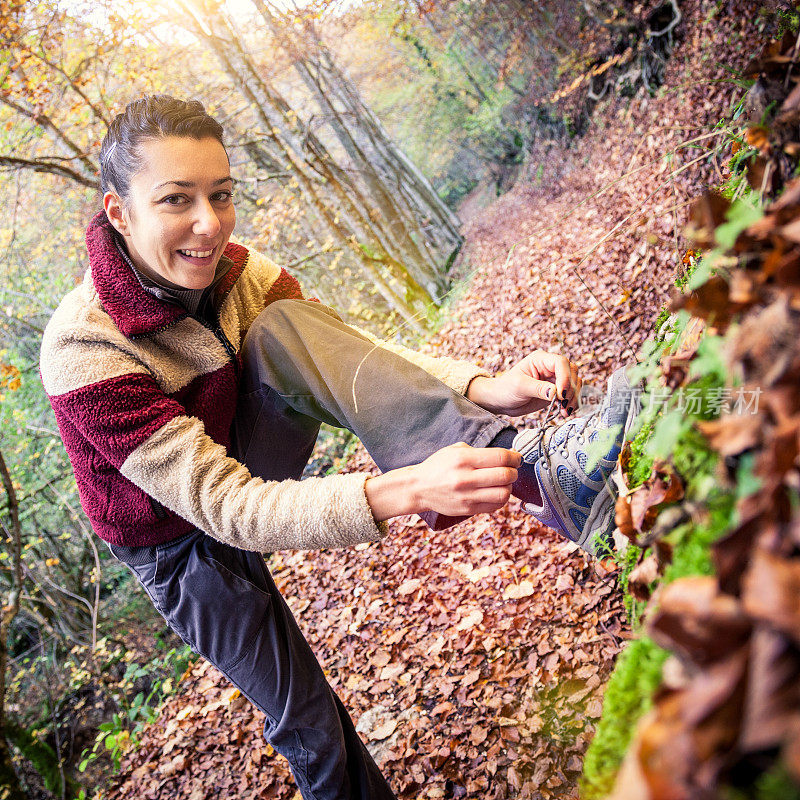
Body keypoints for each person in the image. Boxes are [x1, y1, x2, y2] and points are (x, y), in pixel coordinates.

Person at [39, 95, 638, 799]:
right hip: (178, 545)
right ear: (119, 212)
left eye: (220, 195)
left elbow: (358, 353)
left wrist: (487, 386)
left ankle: (539, 473)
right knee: (308, 723)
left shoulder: (241, 272)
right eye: (177, 200)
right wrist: (409, 490)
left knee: (288, 325)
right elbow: (225, 507)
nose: (208, 224)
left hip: (246, 455)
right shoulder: (83, 346)